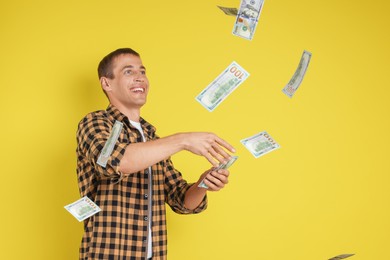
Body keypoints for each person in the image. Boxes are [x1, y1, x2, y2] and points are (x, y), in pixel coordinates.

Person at [76, 48, 236, 259]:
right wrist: (183, 140)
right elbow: (115, 161)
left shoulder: (152, 138)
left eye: (142, 72)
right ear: (107, 83)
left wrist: (203, 183)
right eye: (128, 72)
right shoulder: (95, 122)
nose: (139, 77)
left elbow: (181, 200)